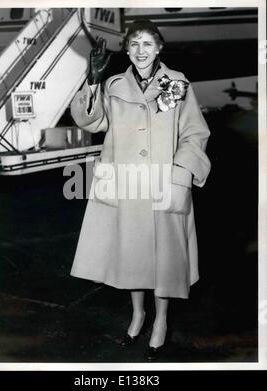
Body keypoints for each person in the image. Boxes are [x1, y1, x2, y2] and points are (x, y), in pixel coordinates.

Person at [70, 19, 211, 360]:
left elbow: (195, 133)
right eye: (134, 44)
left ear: (159, 47)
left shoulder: (177, 84)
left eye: (147, 44)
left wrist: (180, 173)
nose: (140, 51)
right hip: (128, 184)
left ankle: (160, 321)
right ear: (127, 50)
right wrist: (92, 81)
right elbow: (90, 121)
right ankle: (138, 315)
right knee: (133, 255)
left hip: (164, 183)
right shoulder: (114, 85)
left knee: (164, 259)